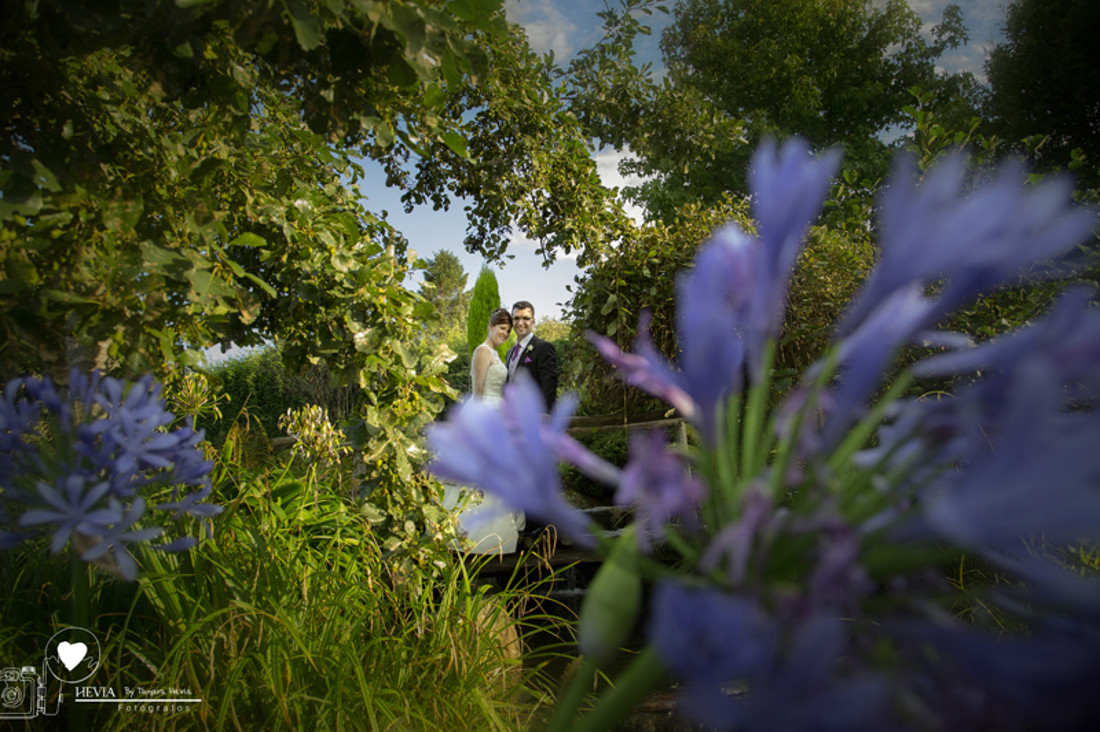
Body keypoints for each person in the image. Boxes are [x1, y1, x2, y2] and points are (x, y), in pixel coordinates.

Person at [441, 308, 525, 553]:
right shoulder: (482, 351)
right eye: (502, 328)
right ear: (491, 326)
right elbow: (478, 388)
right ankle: (470, 535)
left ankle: (498, 535)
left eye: (508, 331)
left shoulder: (497, 355)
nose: (504, 333)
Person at [506, 300, 558, 411]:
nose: (520, 323)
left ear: (533, 322)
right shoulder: (509, 352)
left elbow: (549, 387)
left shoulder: (544, 347)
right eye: (516, 318)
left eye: (525, 318)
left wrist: (544, 416)